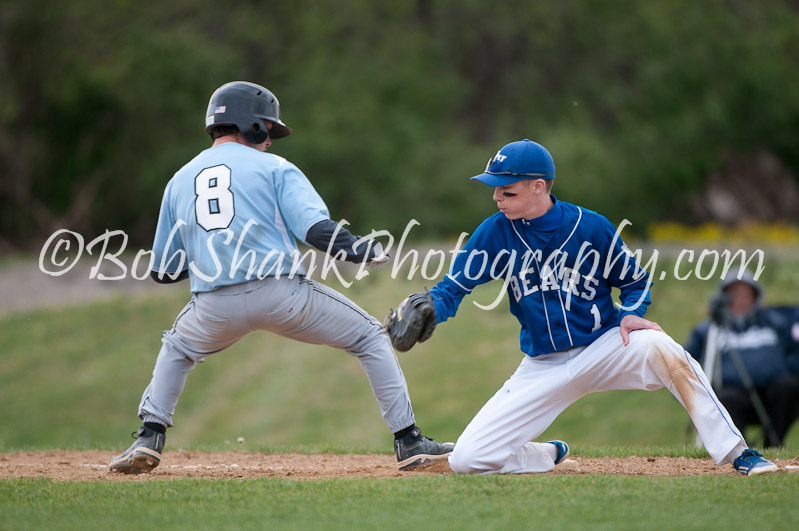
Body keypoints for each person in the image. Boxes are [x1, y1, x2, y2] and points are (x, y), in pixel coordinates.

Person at [108, 81, 453, 474]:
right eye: (268, 130)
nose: (270, 140)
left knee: (178, 348)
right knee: (370, 336)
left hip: (213, 307)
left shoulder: (179, 179)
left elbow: (164, 271)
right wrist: (360, 249)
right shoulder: (275, 167)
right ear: (252, 126)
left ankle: (149, 436)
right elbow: (314, 229)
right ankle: (408, 441)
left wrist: (212, 251)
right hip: (280, 295)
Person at [390, 139, 779, 476]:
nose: (496, 197)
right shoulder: (495, 232)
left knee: (665, 349)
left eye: (506, 191)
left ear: (538, 186)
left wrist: (630, 312)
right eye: (495, 190)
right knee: (468, 460)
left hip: (606, 346)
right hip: (542, 365)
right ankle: (546, 454)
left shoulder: (590, 227)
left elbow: (637, 281)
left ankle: (737, 452)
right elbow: (453, 287)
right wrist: (432, 308)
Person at [685, 271, 799, 447]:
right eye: (734, 295)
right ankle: (739, 450)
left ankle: (774, 445)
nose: (741, 300)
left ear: (756, 298)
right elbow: (685, 364)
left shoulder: (775, 323)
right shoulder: (709, 330)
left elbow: (793, 354)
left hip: (773, 395)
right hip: (732, 397)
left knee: (788, 386)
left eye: (747, 295)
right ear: (723, 298)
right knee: (726, 398)